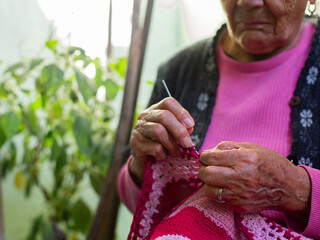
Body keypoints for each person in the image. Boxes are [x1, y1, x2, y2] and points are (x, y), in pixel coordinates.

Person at [118, 0, 320, 239]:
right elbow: (141, 206)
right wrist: (142, 165)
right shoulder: (179, 70)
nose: (248, 2)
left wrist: (294, 189)